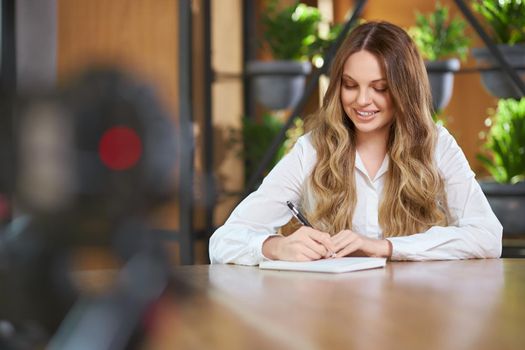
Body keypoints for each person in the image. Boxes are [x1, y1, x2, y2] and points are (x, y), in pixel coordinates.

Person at [209, 21, 502, 265]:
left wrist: (385, 247)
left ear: (404, 90)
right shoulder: (312, 149)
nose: (362, 100)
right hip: (335, 314)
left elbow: (488, 237)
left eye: (380, 88)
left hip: (417, 312)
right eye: (350, 85)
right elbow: (223, 241)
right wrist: (273, 247)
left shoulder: (437, 146)